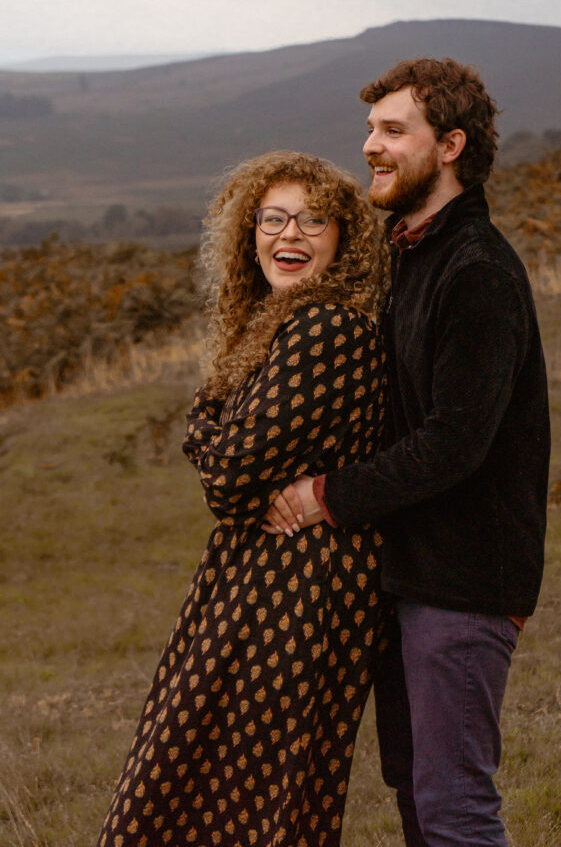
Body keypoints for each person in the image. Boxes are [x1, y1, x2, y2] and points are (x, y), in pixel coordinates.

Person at [266, 59, 551, 847]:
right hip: (405, 573)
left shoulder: (478, 269)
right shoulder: (408, 253)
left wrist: (324, 496)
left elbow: (455, 441)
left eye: (393, 131)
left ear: (450, 145)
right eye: (370, 130)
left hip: (463, 582)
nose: (371, 147)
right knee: (416, 797)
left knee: (453, 806)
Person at [97, 150, 389, 847]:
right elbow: (213, 435)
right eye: (274, 218)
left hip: (301, 587)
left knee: (243, 789)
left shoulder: (326, 328)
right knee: (197, 772)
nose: (290, 235)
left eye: (314, 221)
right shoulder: (274, 321)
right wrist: (215, 434)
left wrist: (217, 443)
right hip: (258, 573)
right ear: (248, 232)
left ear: (344, 240)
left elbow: (227, 475)